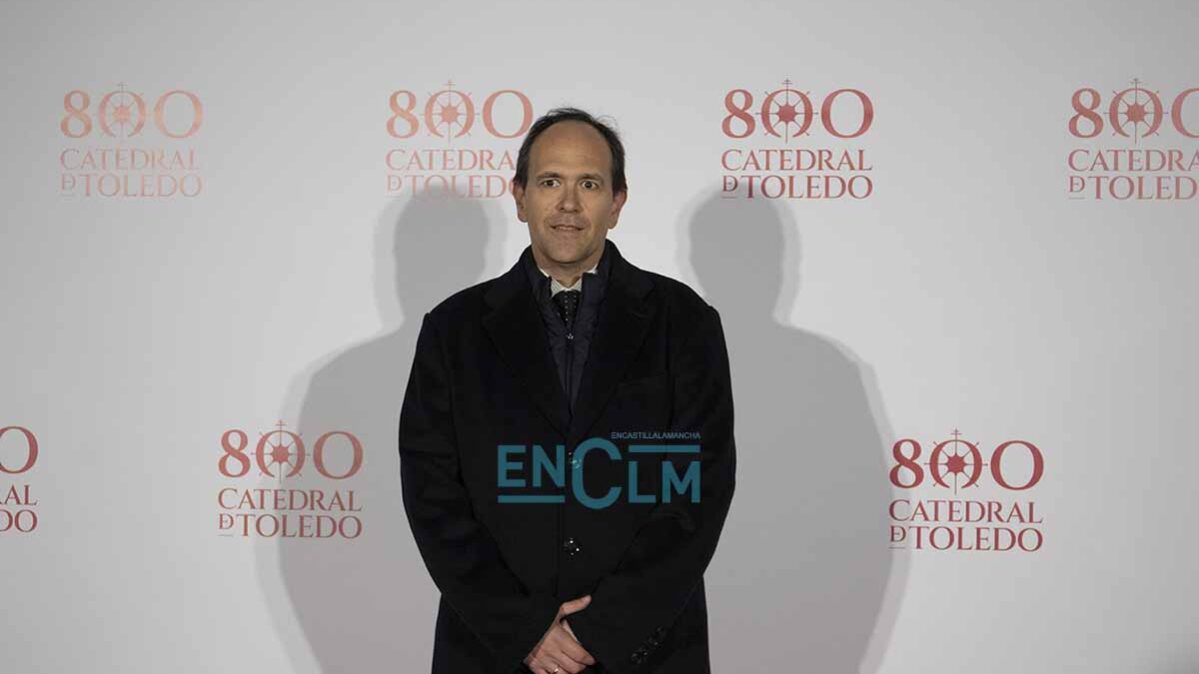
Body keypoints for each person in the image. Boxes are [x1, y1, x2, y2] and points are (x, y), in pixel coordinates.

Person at [398, 107, 736, 674]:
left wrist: (603, 630)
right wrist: (523, 628)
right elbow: (432, 494)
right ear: (520, 196)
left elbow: (698, 492)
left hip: (646, 653)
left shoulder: (685, 322)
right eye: (551, 182)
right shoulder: (453, 330)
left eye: (590, 184)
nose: (569, 205)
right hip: (494, 652)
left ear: (617, 203)